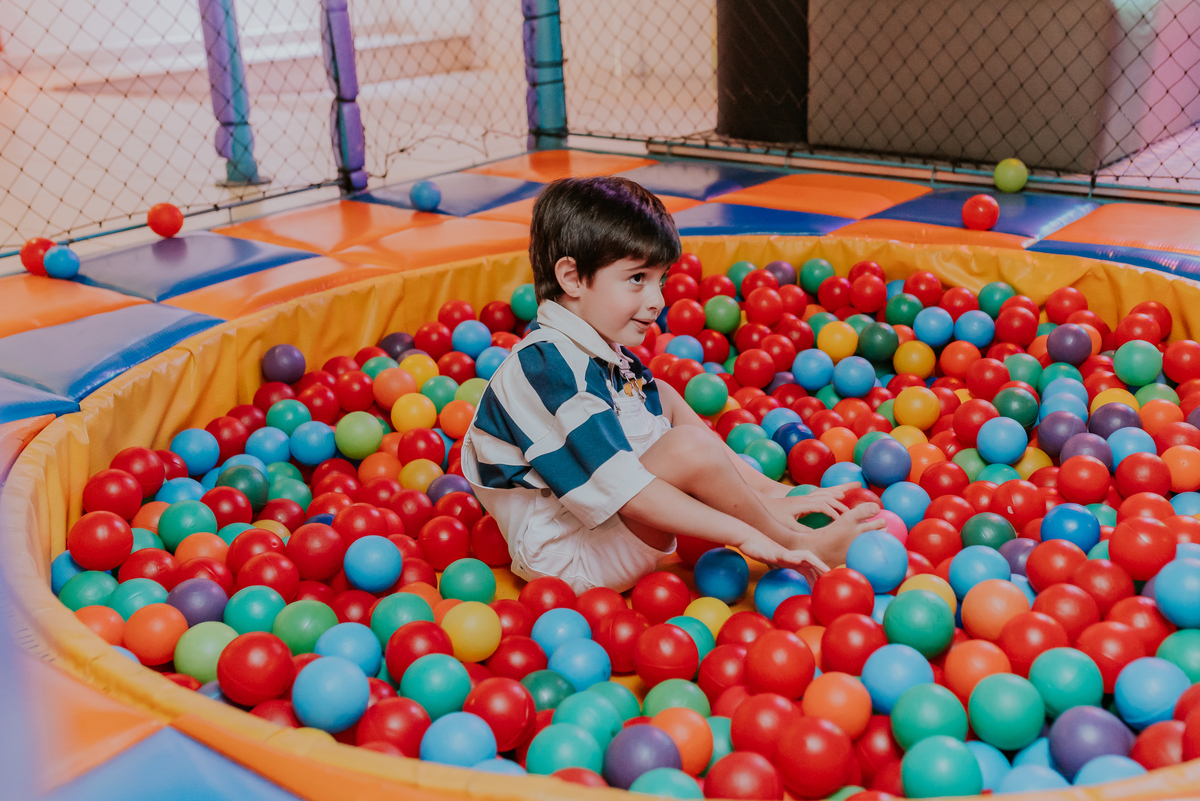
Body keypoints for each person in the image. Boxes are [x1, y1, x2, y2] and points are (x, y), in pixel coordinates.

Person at [460, 175, 883, 593]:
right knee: (688, 446)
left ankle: (771, 500)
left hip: (601, 524)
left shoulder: (597, 352)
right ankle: (794, 540)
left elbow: (642, 446)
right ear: (572, 279)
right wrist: (746, 535)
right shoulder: (546, 369)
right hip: (568, 556)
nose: (657, 300)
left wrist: (770, 498)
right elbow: (630, 493)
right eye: (637, 278)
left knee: (660, 396)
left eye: (659, 280)